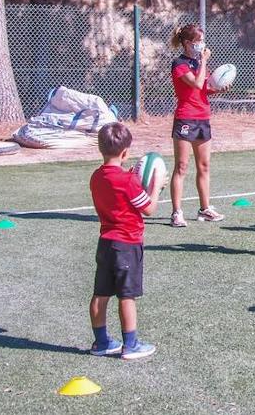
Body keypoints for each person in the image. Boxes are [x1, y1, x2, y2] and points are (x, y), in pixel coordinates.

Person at [88, 123, 158, 360]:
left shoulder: (97, 176)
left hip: (105, 242)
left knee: (101, 293)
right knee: (127, 296)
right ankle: (131, 345)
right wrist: (155, 186)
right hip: (127, 243)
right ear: (126, 152)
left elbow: (116, 191)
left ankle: (101, 342)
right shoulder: (127, 182)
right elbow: (149, 208)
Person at [168, 23, 225, 227]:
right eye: (197, 41)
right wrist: (203, 61)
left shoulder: (199, 63)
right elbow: (196, 83)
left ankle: (205, 208)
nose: (201, 45)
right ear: (186, 43)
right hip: (185, 118)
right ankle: (176, 213)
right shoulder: (179, 63)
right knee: (181, 166)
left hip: (203, 117)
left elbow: (204, 88)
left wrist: (217, 88)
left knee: (204, 166)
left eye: (202, 41)